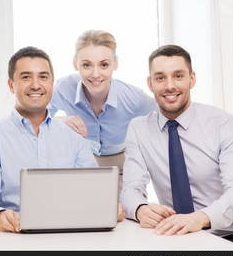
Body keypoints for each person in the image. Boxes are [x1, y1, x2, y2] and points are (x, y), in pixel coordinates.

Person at [121, 45, 233, 250]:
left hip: (232, 238)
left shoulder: (223, 123)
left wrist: (201, 218)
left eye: (178, 76)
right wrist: (140, 209)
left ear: (192, 79)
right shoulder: (138, 129)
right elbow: (131, 189)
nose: (170, 86)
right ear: (150, 83)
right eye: (160, 78)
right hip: (177, 239)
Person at [0, 46, 124, 233]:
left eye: (43, 77)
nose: (36, 85)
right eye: (26, 77)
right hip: (15, 238)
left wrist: (109, 207)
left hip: (70, 236)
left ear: (52, 83)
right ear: (11, 85)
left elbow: (95, 194)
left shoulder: (74, 139)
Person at [48, 30, 155, 173]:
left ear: (115, 64)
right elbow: (35, 119)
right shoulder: (64, 88)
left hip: (120, 164)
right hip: (81, 160)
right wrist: (59, 122)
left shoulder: (133, 97)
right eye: (87, 65)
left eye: (104, 65)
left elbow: (165, 117)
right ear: (75, 64)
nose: (95, 74)